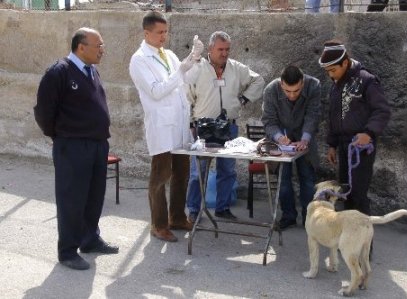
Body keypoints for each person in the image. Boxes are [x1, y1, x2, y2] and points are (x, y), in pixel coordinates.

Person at [34, 27, 119, 270]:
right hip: (72, 146)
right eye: (98, 45)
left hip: (96, 145)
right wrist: (61, 136)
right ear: (81, 47)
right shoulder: (59, 72)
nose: (103, 50)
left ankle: (89, 239)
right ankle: (68, 251)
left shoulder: (92, 71)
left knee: (93, 196)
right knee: (71, 199)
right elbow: (43, 112)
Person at [129, 11, 204, 242]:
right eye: (160, 32)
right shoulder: (139, 60)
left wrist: (194, 60)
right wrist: (182, 69)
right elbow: (156, 91)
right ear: (146, 32)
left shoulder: (169, 55)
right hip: (161, 125)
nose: (164, 36)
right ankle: (158, 225)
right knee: (160, 176)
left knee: (181, 173)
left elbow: (186, 80)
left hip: (179, 124)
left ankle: (177, 217)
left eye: (166, 32)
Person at [185, 31, 265, 222]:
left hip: (228, 127)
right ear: (211, 49)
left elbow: (258, 80)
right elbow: (187, 95)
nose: (224, 53)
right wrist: (190, 122)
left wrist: (244, 99)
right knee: (198, 172)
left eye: (227, 49)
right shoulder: (197, 68)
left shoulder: (236, 68)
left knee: (227, 170)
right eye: (220, 49)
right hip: (203, 127)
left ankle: (222, 207)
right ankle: (194, 209)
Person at [318, 40, 391, 216]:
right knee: (345, 193)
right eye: (328, 71)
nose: (331, 75)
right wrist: (332, 145)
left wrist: (369, 133)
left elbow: (382, 111)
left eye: (333, 70)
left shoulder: (367, 80)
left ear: (345, 62)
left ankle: (365, 242)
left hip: (360, 147)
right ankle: (350, 239)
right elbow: (333, 116)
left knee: (358, 195)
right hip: (343, 146)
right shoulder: (336, 85)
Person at [261, 65, 322, 230]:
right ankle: (288, 215)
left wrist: (305, 139)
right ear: (281, 84)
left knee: (308, 179)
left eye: (296, 91)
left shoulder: (313, 85)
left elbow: (313, 115)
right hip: (281, 139)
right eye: (288, 91)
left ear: (303, 83)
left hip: (305, 137)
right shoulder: (271, 90)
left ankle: (310, 218)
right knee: (283, 180)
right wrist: (280, 137)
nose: (292, 95)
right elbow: (269, 121)